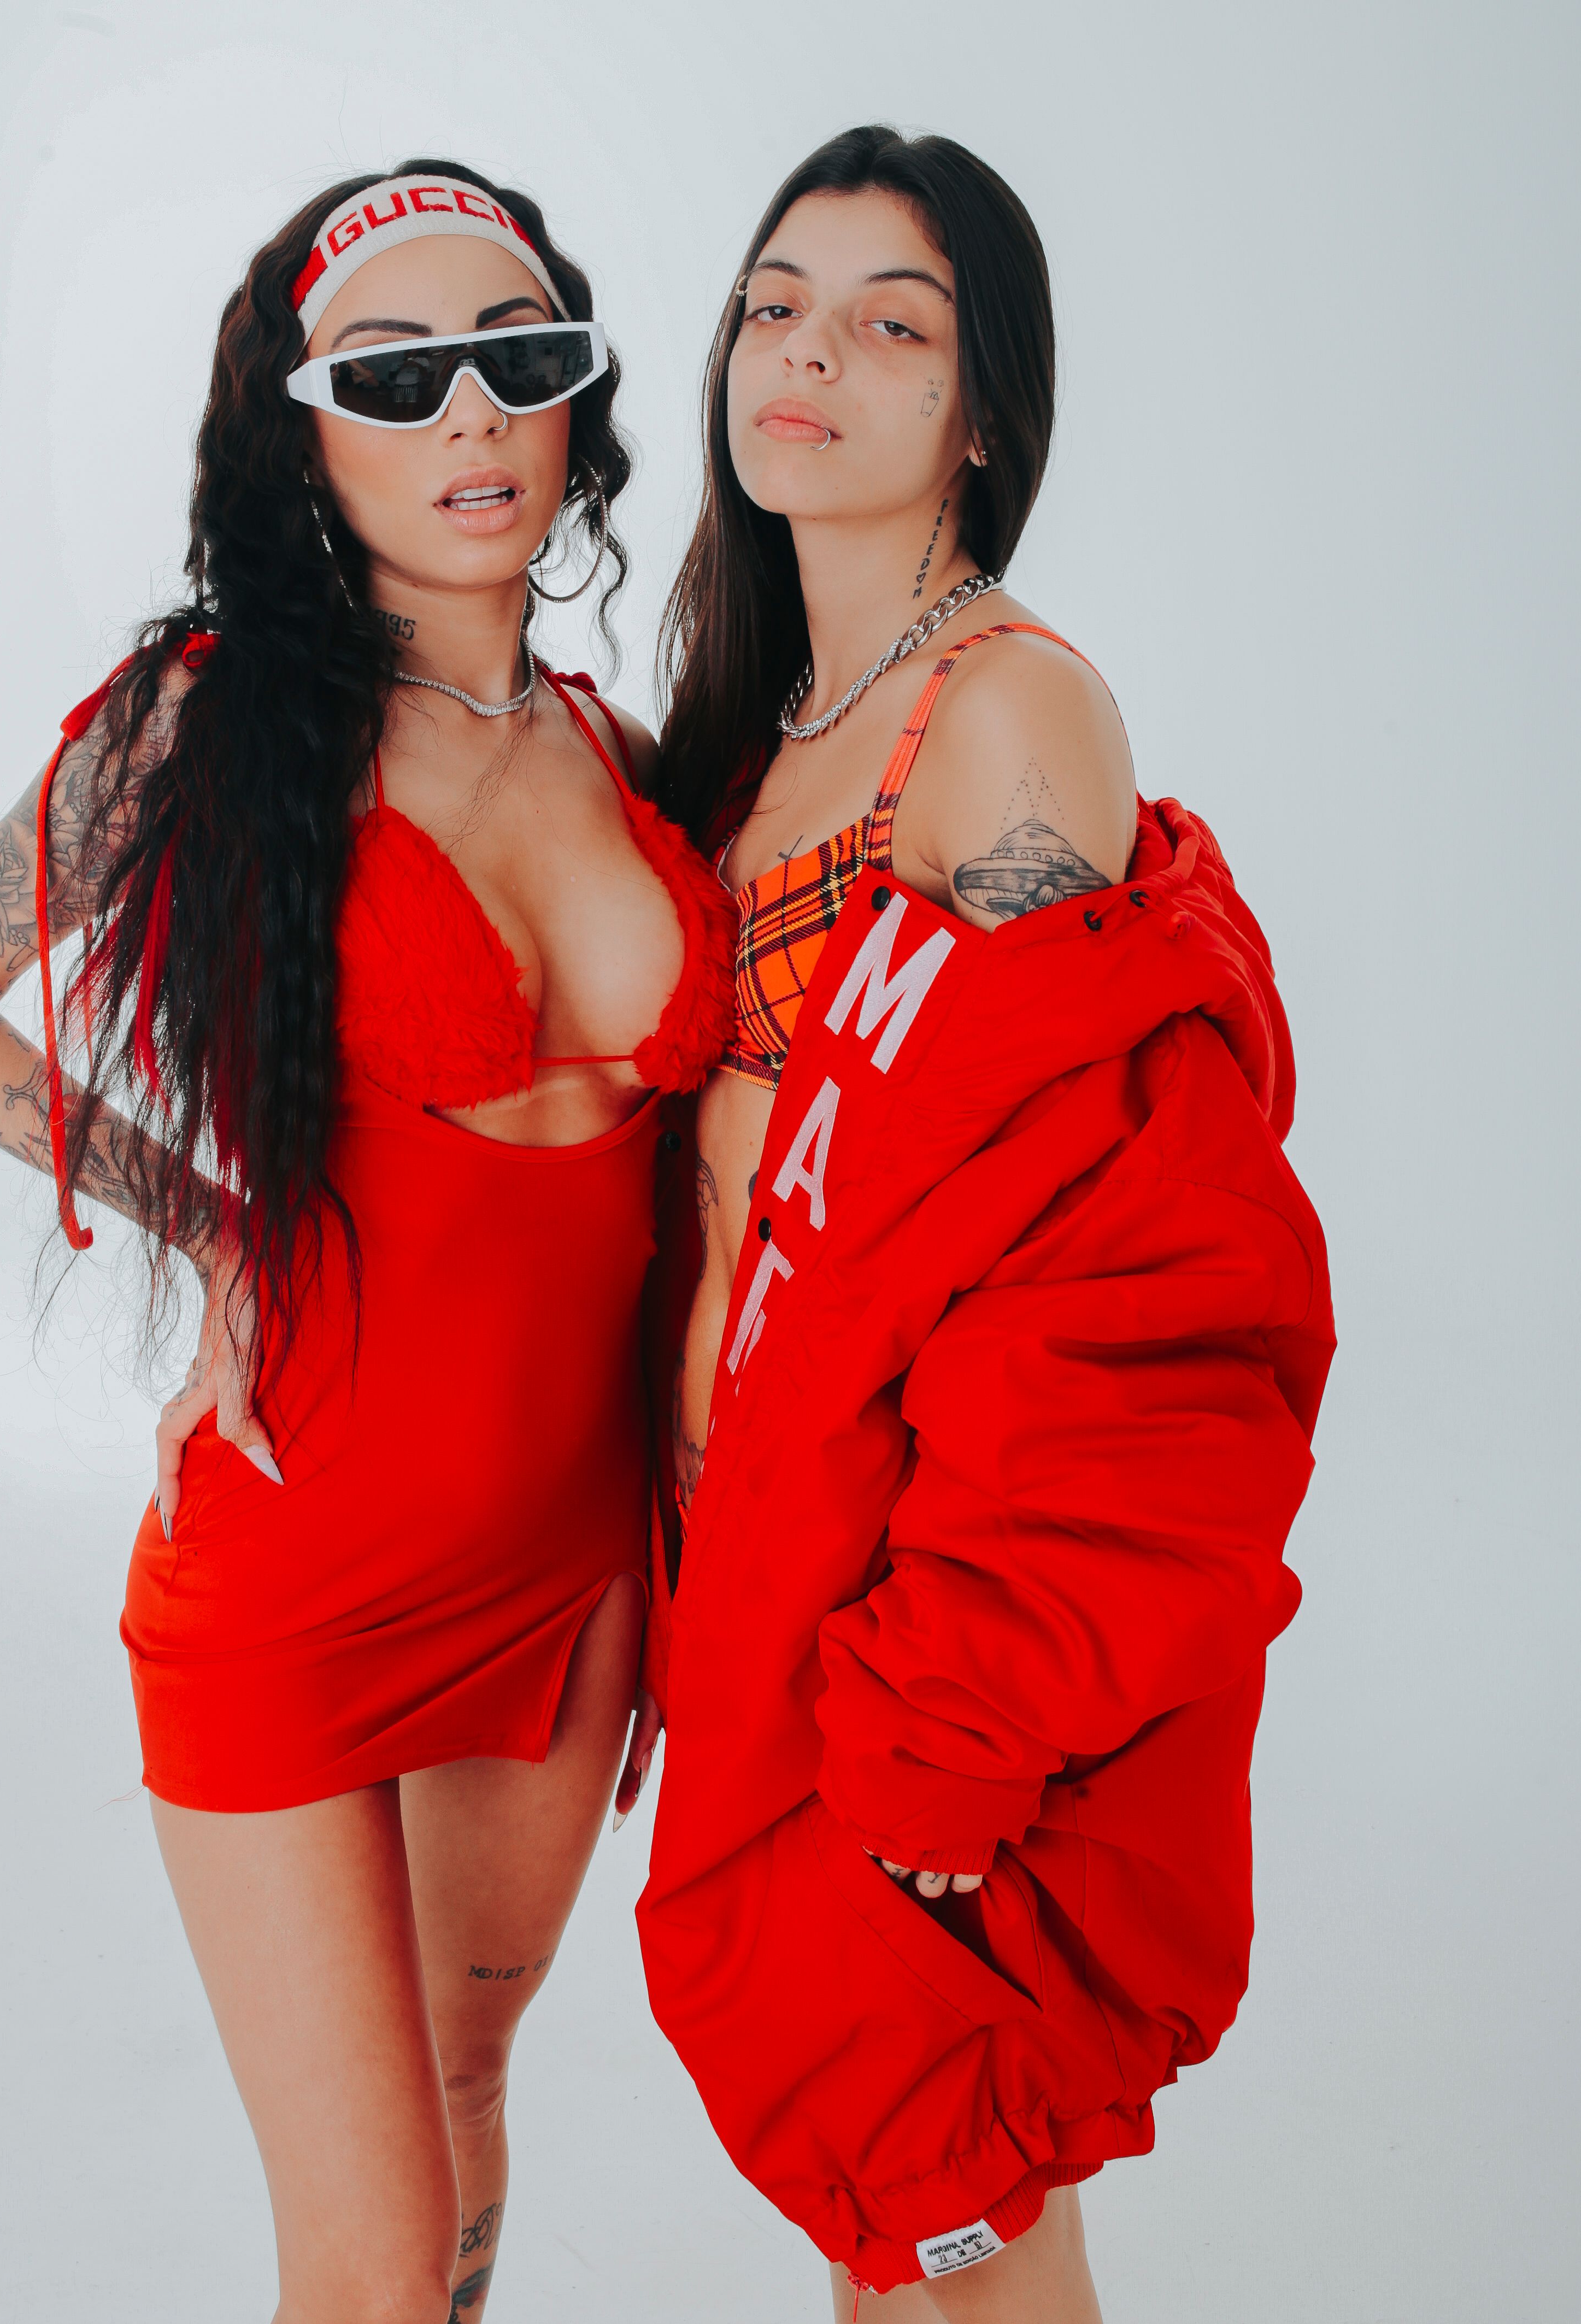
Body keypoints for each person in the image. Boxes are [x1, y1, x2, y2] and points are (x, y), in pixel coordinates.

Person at [0, 161, 731, 2323]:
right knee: (364, 2258)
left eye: (518, 359)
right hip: (294, 1558)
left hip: (571, 1574)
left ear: (578, 403)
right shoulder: (208, 719)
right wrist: (221, 1225)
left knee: (468, 2086)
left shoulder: (627, 758)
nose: (470, 415)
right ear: (302, 432)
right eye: (393, 375)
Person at [636, 125, 1335, 2321]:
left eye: (888, 323)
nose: (806, 356)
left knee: (967, 2205)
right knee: (886, 2192)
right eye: (775, 307)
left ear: (982, 414)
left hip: (917, 1616)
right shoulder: (758, 726)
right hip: (757, 1563)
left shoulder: (1005, 720)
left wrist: (954, 1716)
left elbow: (1112, 1276)